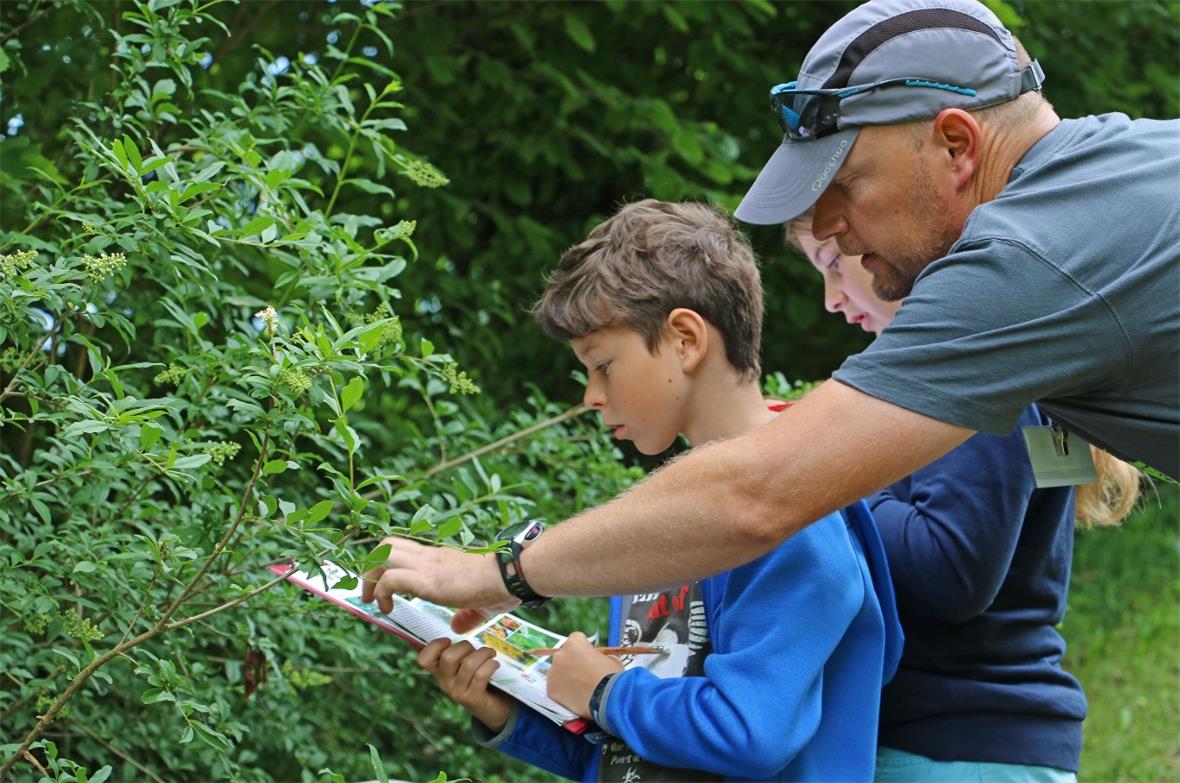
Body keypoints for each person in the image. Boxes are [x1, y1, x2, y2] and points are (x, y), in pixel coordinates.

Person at [360, 0, 1176, 633]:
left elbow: (757, 496)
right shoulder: (1123, 162)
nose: (825, 230)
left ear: (957, 145)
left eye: (845, 187)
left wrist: (498, 570)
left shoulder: (1025, 255)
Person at [414, 199, 903, 781]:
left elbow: (748, 733)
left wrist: (602, 691)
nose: (592, 395)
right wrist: (509, 714)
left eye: (603, 365)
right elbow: (635, 753)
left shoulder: (796, 521)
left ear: (684, 340)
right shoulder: (658, 530)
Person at [790, 212, 1141, 782]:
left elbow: (951, 571)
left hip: (954, 748)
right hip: (981, 746)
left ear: (889, 247)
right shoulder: (1001, 366)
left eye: (834, 265)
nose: (832, 299)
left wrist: (822, 476)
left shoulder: (965, 374)